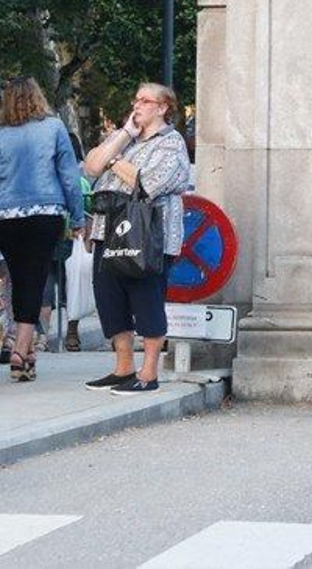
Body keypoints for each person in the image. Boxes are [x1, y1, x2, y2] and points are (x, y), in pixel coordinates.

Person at [82, 82, 192, 394]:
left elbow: (148, 183)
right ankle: (123, 368)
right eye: (136, 100)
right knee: (109, 296)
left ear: (162, 107)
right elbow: (91, 167)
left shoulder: (171, 143)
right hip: (110, 230)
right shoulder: (125, 139)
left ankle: (149, 371)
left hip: (149, 235)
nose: (137, 105)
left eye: (145, 101)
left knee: (146, 298)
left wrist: (114, 162)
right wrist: (123, 137)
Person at [0, 78, 84, 382]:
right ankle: (20, 349)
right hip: (46, 211)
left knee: (18, 278)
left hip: (5, 214)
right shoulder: (54, 128)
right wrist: (77, 216)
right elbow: (69, 175)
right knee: (36, 278)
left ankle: (26, 352)